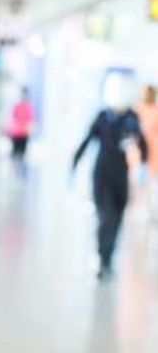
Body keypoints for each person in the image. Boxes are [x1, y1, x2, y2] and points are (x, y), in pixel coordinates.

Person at [72, 83, 149, 279]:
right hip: (102, 173)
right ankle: (102, 257)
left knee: (117, 218)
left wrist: (143, 166)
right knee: (106, 217)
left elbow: (143, 143)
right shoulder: (103, 117)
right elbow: (88, 140)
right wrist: (75, 162)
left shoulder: (132, 118)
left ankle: (109, 257)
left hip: (121, 175)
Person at [134, 83, 158, 216]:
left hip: (154, 153)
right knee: (139, 183)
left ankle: (151, 211)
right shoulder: (137, 110)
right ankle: (140, 209)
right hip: (138, 154)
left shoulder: (156, 110)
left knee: (153, 184)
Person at [6, 87, 35, 173]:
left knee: (22, 152)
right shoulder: (17, 106)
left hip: (24, 133)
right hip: (16, 132)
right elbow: (12, 117)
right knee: (15, 152)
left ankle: (20, 169)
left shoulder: (28, 107)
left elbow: (30, 119)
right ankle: (14, 169)